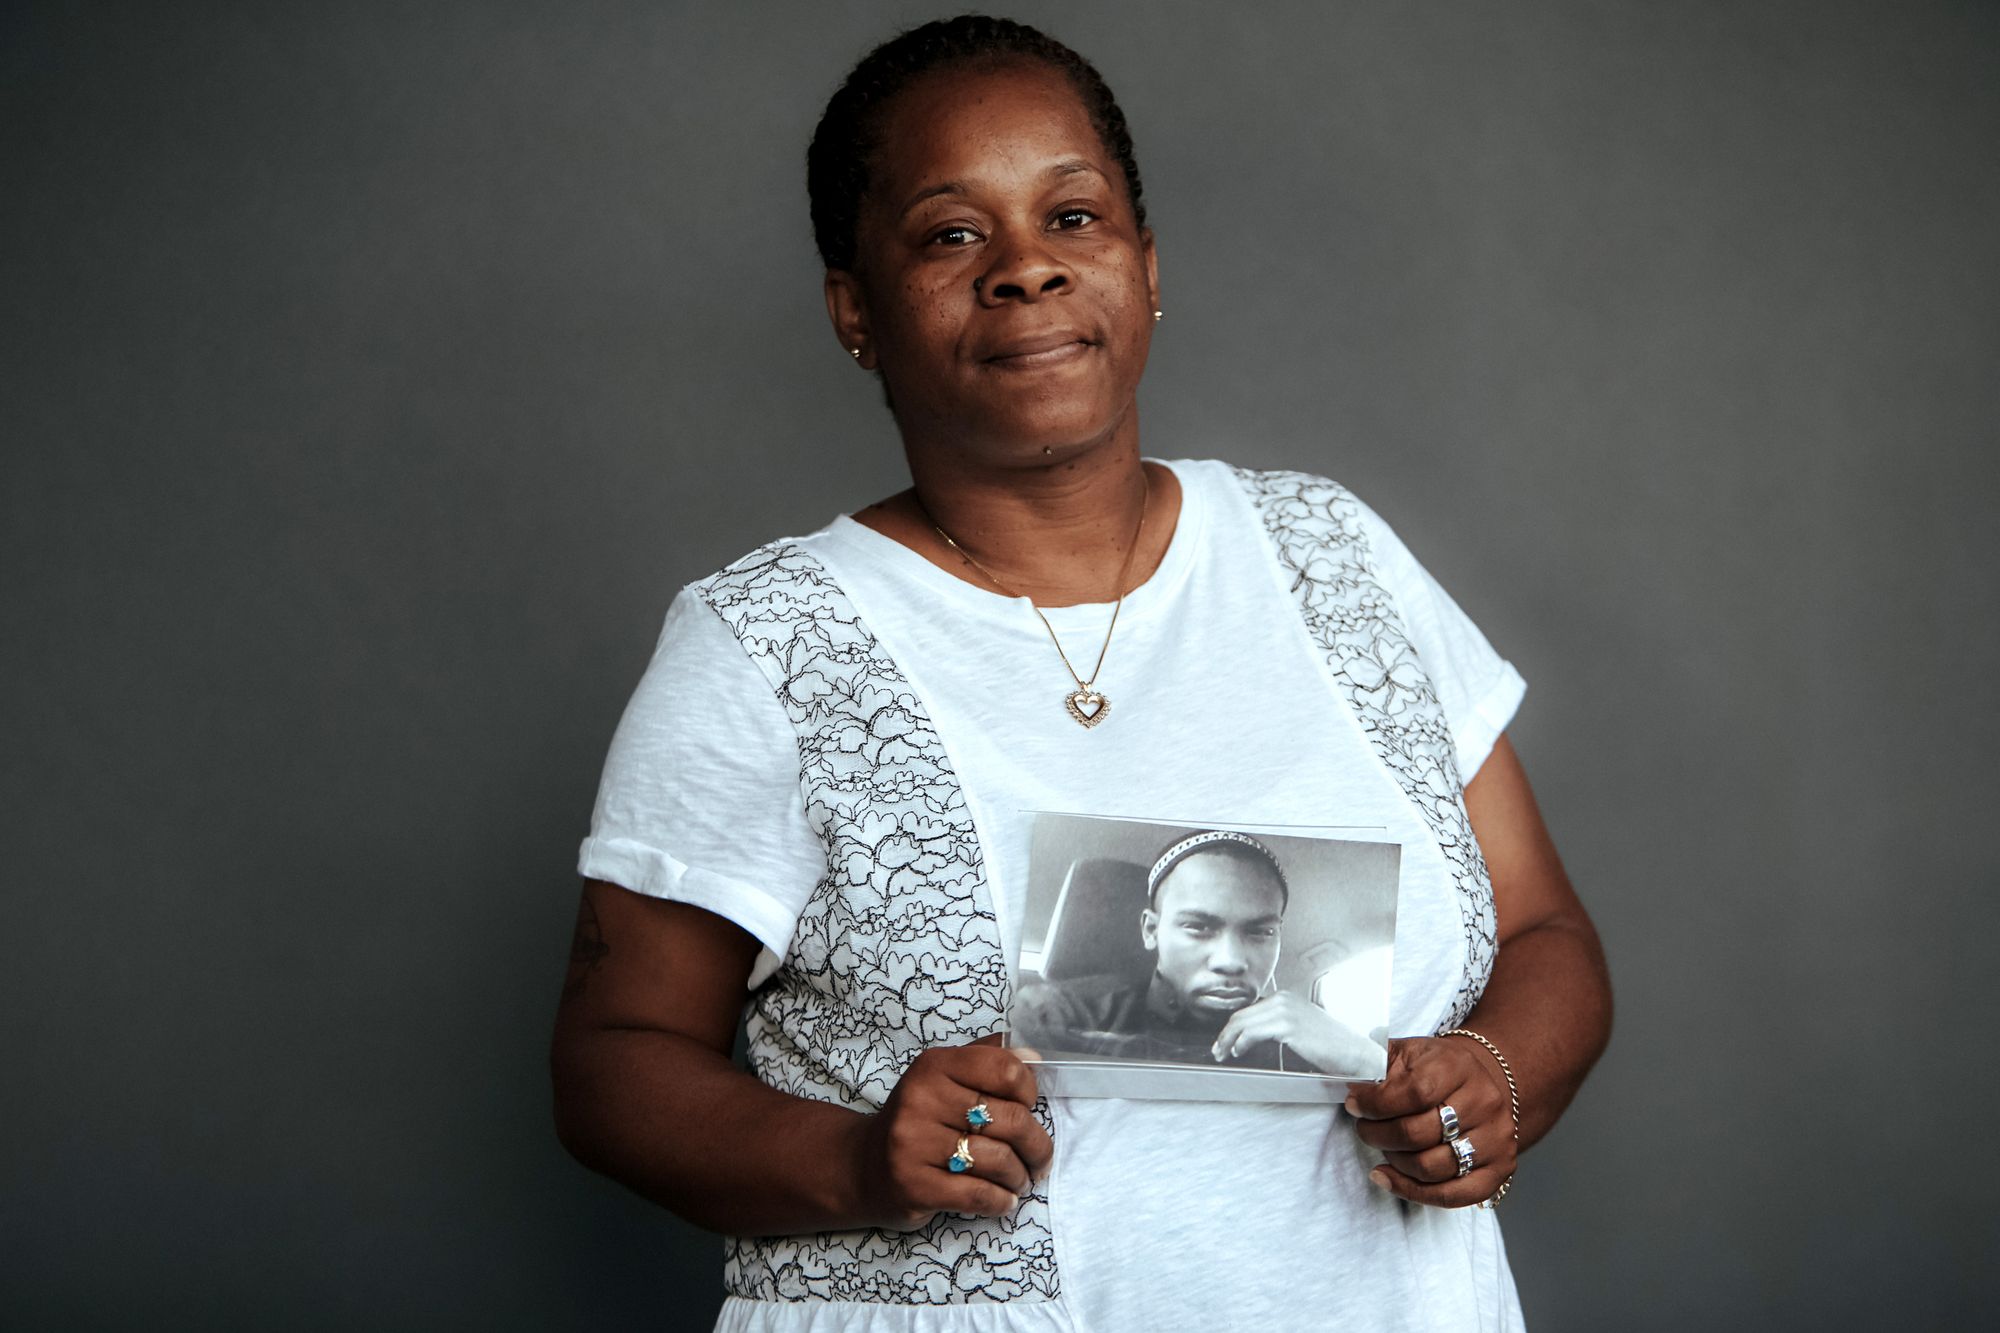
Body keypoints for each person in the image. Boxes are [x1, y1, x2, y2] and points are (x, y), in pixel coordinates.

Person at [551, 15, 1611, 1331]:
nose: (1024, 274)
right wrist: (852, 1158)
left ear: (1146, 268)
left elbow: (1548, 935)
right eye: (952, 234)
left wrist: (1491, 1077)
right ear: (853, 311)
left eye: (1073, 218)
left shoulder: (1334, 555)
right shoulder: (766, 642)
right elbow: (613, 1061)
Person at [1012, 830, 1381, 1075]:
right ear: (1152, 930)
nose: (1231, 961)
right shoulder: (1052, 1015)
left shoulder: (1308, 1045)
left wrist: (1368, 1063)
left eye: (1261, 932)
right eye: (1199, 927)